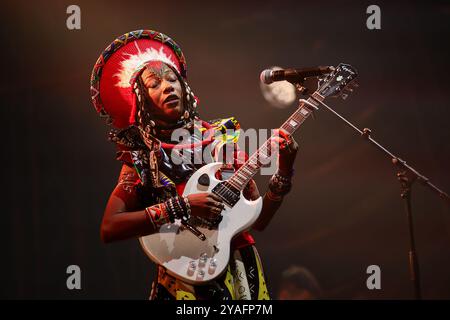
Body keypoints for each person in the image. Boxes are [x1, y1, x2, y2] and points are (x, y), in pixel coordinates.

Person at [90, 29, 299, 300]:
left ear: (184, 87)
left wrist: (284, 170)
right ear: (142, 101)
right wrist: (182, 206)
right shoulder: (142, 157)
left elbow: (259, 220)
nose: (167, 86)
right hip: (184, 276)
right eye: (154, 84)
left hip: (238, 267)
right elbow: (110, 228)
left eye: (172, 79)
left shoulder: (222, 138)